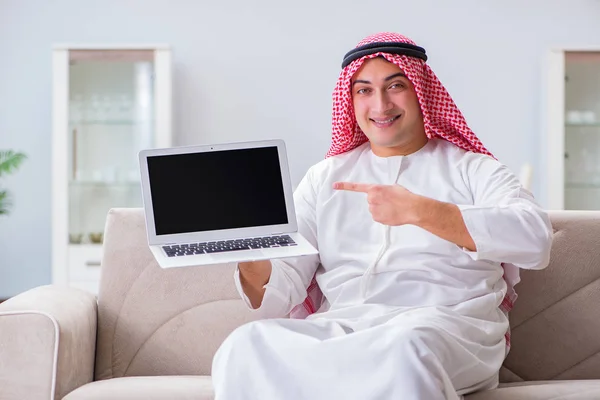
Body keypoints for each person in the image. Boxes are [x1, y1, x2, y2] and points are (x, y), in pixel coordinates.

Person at [211, 32, 553, 400]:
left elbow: (535, 239)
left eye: (395, 86)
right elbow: (280, 293)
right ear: (351, 100)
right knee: (244, 346)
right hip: (344, 328)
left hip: (446, 326)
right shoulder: (325, 177)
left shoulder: (475, 170)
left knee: (406, 351)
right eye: (364, 90)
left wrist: (424, 212)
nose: (380, 104)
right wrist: (247, 254)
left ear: (421, 92)